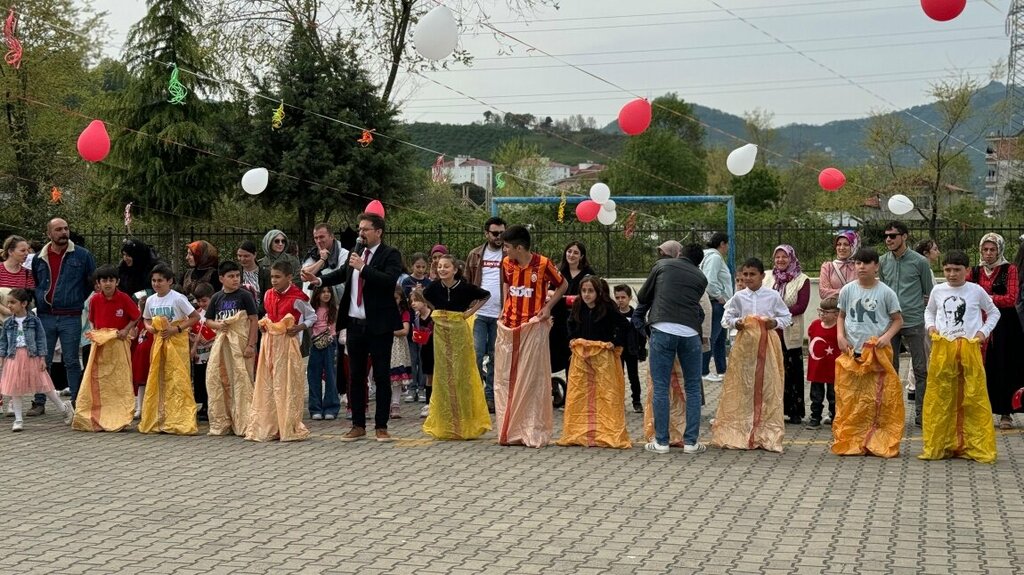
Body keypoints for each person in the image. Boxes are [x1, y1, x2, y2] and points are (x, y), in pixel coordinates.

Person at [305, 213, 403, 443]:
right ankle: (358, 425)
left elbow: (389, 281)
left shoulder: (390, 254)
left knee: (381, 376)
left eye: (365, 229)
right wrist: (319, 280)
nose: (361, 233)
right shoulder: (356, 253)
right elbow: (343, 274)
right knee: (355, 376)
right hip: (354, 324)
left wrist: (363, 267)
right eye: (360, 229)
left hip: (378, 326)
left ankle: (381, 426)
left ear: (378, 231)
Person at [922, 249, 999, 462]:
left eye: (957, 270)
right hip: (943, 352)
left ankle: (972, 444)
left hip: (969, 351)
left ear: (967, 270)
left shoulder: (976, 291)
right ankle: (943, 443)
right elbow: (929, 311)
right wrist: (930, 326)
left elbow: (994, 312)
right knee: (941, 397)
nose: (952, 274)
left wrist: (983, 332)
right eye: (947, 269)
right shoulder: (938, 290)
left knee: (972, 396)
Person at [494, 224, 567, 448]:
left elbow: (563, 284)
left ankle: (531, 430)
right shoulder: (506, 263)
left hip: (533, 326)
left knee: (531, 379)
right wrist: (503, 308)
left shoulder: (543, 264)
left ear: (519, 247)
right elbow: (506, 285)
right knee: (506, 378)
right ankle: (509, 429)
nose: (504, 250)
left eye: (507, 246)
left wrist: (548, 307)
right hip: (509, 327)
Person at [711, 257, 791, 452]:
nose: (748, 278)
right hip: (745, 347)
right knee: (744, 386)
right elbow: (726, 318)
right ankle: (742, 430)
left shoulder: (772, 296)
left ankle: (766, 431)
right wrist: (736, 323)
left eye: (752, 274)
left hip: (767, 346)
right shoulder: (739, 297)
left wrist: (774, 323)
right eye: (745, 274)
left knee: (767, 386)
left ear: (762, 276)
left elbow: (786, 317)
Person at [637, 241, 708, 455]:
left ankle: (661, 442)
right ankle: (691, 442)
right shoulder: (701, 277)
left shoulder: (663, 265)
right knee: (693, 388)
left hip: (662, 329)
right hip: (691, 334)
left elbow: (642, 296)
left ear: (680, 254)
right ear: (699, 262)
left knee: (661, 387)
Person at [833, 247, 905, 457]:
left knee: (876, 398)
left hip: (876, 354)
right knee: (853, 398)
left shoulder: (886, 292)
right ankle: (854, 437)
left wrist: (886, 337)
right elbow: (841, 316)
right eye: (858, 263)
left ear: (876, 266)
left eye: (866, 263)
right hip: (853, 352)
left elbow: (898, 320)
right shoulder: (847, 290)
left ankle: (875, 438)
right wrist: (840, 336)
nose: (861, 267)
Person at [421, 254, 492, 440]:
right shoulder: (434, 287)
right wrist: (436, 311)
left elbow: (486, 295)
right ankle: (446, 423)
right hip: (441, 334)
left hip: (460, 332)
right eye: (440, 266)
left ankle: (465, 421)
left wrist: (470, 312)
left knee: (461, 375)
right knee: (443, 375)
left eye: (446, 266)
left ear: (455, 269)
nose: (442, 269)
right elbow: (425, 296)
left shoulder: (465, 287)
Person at [557, 275, 632, 449]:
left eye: (590, 291)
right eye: (584, 291)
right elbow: (570, 323)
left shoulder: (608, 307)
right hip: (582, 358)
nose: (586, 294)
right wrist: (572, 338)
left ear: (598, 292)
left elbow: (625, 326)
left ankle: (606, 432)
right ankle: (580, 431)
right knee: (580, 394)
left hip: (602, 358)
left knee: (606, 395)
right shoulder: (578, 305)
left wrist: (615, 342)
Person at [30, 218, 96, 412]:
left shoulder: (83, 255)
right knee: (43, 360)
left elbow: (91, 282)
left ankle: (77, 401)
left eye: (66, 228)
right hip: (46, 315)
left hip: (71, 315)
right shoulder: (39, 257)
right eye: (58, 229)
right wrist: (41, 299)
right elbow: (36, 281)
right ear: (49, 233)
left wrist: (75, 298)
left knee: (72, 360)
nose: (63, 232)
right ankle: (39, 402)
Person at [247, 260, 314, 442]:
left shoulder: (298, 297)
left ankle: (288, 424)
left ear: (289, 277)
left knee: (285, 384)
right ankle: (271, 424)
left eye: (278, 277)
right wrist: (265, 324)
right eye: (272, 277)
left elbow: (312, 316)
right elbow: (268, 314)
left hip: (287, 344)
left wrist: (299, 327)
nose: (274, 281)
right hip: (269, 344)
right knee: (268, 384)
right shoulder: (268, 294)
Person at [878, 220, 934, 426]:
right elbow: (883, 290)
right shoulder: (882, 261)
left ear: (904, 237)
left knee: (920, 369)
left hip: (914, 321)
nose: (888, 239)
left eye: (893, 236)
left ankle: (922, 414)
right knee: (890, 369)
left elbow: (928, 292)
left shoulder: (920, 262)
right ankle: (893, 414)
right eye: (886, 236)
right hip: (890, 323)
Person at [966, 233, 1022, 430]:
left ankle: (1006, 412)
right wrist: (986, 299)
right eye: (985, 249)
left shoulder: (1009, 270)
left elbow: (1011, 298)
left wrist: (984, 298)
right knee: (981, 366)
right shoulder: (974, 272)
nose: (988, 253)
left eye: (993, 249)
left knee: (1004, 365)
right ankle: (981, 412)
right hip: (979, 323)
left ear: (999, 250)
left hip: (1005, 326)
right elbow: (965, 292)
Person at [73, 265, 139, 432]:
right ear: (98, 283)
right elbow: (92, 320)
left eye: (111, 280)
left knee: (119, 381)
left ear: (117, 282)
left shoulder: (124, 298)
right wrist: (96, 334)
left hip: (118, 344)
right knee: (98, 380)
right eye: (104, 280)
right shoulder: (95, 299)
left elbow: (136, 316)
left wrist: (125, 330)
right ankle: (97, 415)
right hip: (100, 345)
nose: (108, 283)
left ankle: (120, 416)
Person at [0, 289, 74, 431]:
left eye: (13, 302)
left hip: (31, 357)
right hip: (14, 358)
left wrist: (42, 358)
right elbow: (3, 341)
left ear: (24, 304)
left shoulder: (34, 320)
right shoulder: (8, 322)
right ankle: (18, 419)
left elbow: (41, 339)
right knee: (15, 388)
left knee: (45, 385)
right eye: (8, 302)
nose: (9, 305)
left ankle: (64, 409)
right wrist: (2, 357)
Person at [140, 264, 201, 435]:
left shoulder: (178, 298)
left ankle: (180, 419)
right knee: (158, 378)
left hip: (177, 344)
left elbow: (195, 317)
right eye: (154, 280)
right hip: (159, 343)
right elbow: (146, 319)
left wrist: (177, 329)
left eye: (160, 280)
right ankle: (160, 418)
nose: (156, 284)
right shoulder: (151, 300)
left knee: (178, 379)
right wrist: (150, 328)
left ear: (170, 281)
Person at [204, 260, 259, 437]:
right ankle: (223, 421)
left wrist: (251, 345)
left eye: (237, 276)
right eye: (231, 276)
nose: (235, 279)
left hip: (241, 345)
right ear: (221, 278)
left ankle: (244, 422)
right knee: (221, 381)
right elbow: (208, 320)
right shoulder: (217, 298)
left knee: (242, 381)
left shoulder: (245, 296)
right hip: (223, 346)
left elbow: (253, 320)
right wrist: (218, 325)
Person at [764, 245, 810, 425]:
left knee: (792, 373)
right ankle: (772, 411)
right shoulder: (768, 276)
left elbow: (801, 306)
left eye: (784, 257)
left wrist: (778, 313)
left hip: (790, 332)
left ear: (792, 258)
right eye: (777, 257)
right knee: (771, 372)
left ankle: (794, 411)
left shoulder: (802, 279)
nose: (780, 260)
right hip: (770, 331)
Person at [465, 217, 506, 413]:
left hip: (501, 314)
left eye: (502, 233)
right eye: (495, 233)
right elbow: (467, 282)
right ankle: (476, 394)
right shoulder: (474, 255)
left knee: (496, 357)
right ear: (486, 234)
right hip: (479, 312)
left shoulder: (510, 254)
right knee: (476, 354)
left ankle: (490, 397)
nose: (499, 237)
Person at [550, 241, 597, 381]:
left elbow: (592, 293)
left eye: (576, 253)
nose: (571, 255)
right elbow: (548, 291)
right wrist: (566, 298)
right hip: (558, 319)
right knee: (555, 354)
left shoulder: (588, 273)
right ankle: (553, 386)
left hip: (579, 319)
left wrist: (564, 298)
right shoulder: (557, 270)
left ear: (581, 256)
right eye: (569, 251)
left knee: (574, 356)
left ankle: (573, 389)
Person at [0, 235, 35, 416]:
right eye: (23, 250)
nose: (26, 253)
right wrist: (6, 311)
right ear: (11, 251)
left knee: (15, 364)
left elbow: (28, 300)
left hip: (16, 325)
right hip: (1, 322)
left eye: (27, 249)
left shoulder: (27, 274)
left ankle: (14, 402)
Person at [905, 238, 941, 400]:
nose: (938, 252)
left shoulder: (921, 268)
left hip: (923, 313)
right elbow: (929, 293)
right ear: (926, 253)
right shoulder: (925, 270)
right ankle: (915, 386)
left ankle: (912, 385)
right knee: (923, 351)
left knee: (919, 352)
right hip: (923, 314)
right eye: (935, 249)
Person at [700, 232, 732, 382]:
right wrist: (720, 296)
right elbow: (709, 280)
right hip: (716, 303)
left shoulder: (707, 256)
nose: (728, 248)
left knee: (720, 338)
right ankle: (703, 371)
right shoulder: (715, 258)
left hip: (719, 304)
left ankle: (722, 370)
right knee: (711, 337)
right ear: (722, 244)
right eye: (727, 244)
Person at [805, 297, 840, 429]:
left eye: (826, 312)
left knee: (833, 394)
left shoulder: (840, 328)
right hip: (817, 368)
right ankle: (815, 416)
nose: (822, 314)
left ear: (836, 314)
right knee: (815, 394)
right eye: (821, 311)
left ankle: (834, 416)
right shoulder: (815, 325)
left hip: (833, 368)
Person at [401, 252, 431, 404]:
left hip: (424, 326)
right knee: (413, 358)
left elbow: (430, 302)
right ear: (412, 266)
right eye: (417, 266)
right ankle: (412, 388)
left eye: (423, 267)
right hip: (412, 325)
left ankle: (422, 387)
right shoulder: (406, 281)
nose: (420, 270)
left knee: (423, 357)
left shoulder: (428, 282)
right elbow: (403, 302)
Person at [307, 285, 340, 421]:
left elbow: (337, 327)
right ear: (317, 294)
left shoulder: (334, 309)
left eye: (328, 292)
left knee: (331, 375)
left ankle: (331, 407)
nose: (326, 294)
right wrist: (314, 338)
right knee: (314, 375)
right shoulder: (312, 310)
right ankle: (315, 408)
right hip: (316, 344)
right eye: (323, 292)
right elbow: (308, 326)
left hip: (330, 344)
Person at [614, 284, 646, 413]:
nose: (620, 300)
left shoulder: (635, 315)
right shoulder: (614, 314)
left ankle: (636, 401)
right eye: (617, 297)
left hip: (631, 349)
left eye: (623, 297)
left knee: (634, 377)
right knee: (618, 376)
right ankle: (618, 400)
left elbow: (641, 334)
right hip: (617, 350)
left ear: (630, 298)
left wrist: (642, 350)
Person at [188, 283, 216, 422]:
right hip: (199, 353)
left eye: (204, 301)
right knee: (200, 379)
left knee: (211, 378)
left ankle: (211, 405)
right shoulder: (197, 313)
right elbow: (191, 329)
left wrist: (210, 338)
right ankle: (204, 404)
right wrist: (192, 338)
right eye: (199, 301)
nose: (201, 304)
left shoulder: (216, 312)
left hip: (212, 351)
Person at [300, 223, 349, 301]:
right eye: (316, 238)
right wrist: (322, 260)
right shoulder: (312, 254)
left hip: (335, 302)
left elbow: (341, 277)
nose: (318, 241)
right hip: (312, 302)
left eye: (321, 237)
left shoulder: (344, 254)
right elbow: (304, 276)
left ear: (331, 236)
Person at [409, 289, 435, 417]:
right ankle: (429, 403)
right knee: (428, 377)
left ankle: (436, 403)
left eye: (416, 300)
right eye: (411, 301)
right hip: (425, 349)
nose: (413, 303)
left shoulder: (433, 315)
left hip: (435, 348)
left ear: (424, 301)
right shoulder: (417, 318)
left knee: (436, 376)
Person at [389, 286, 412, 420]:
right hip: (385, 344)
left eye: (396, 298)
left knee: (396, 377)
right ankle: (387, 403)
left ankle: (396, 403)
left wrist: (388, 331)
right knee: (385, 376)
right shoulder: (384, 311)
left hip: (397, 346)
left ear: (401, 299)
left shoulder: (404, 312)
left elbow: (405, 330)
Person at [818, 231, 859, 300]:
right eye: (838, 244)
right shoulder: (828, 267)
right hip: (834, 307)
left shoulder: (859, 266)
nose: (841, 248)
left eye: (846, 244)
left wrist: (835, 293)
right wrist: (849, 293)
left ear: (853, 246)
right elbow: (823, 292)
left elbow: (862, 291)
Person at [236, 240, 270, 316]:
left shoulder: (266, 274)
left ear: (254, 255)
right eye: (239, 256)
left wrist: (255, 312)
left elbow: (268, 298)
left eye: (246, 256)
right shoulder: (235, 273)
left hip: (260, 315)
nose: (242, 259)